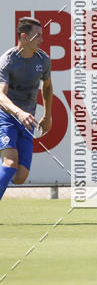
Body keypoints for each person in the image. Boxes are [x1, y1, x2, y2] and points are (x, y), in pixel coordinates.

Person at [0, 17, 52, 200]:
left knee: (20, 177)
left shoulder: (43, 60)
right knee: (10, 162)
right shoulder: (7, 61)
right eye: (37, 36)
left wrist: (48, 115)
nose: (41, 40)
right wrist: (19, 112)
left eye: (42, 35)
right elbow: (0, 96)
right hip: (6, 117)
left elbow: (47, 87)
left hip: (27, 121)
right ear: (24, 36)